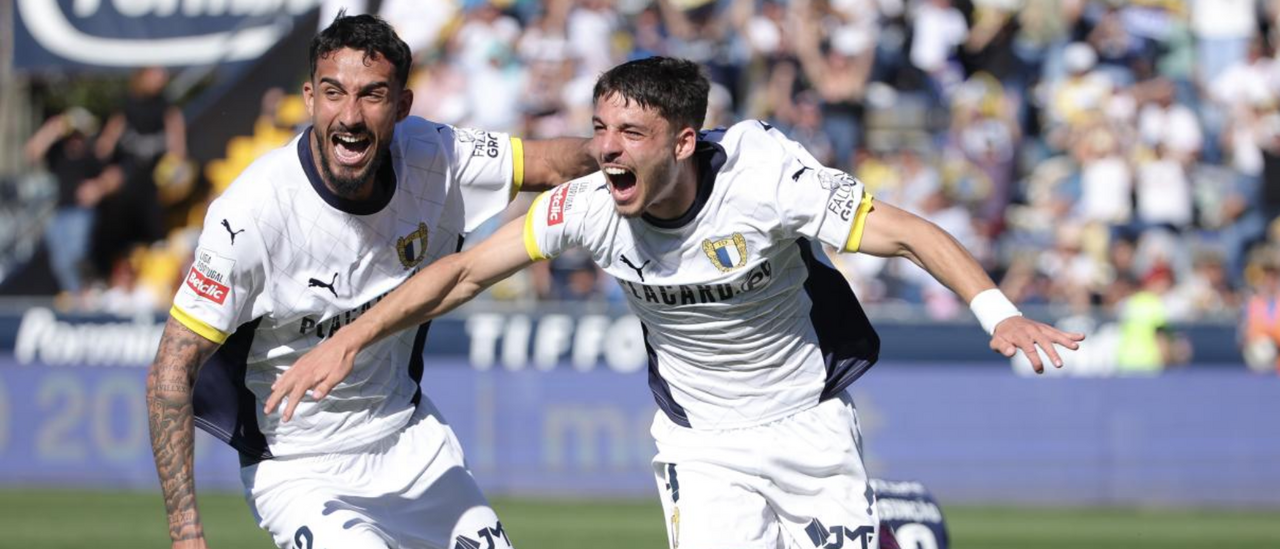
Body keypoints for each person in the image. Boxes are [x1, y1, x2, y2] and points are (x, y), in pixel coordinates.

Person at [273, 57, 1084, 549]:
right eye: (600, 128)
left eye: (630, 133)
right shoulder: (585, 205)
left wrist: (999, 312)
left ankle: (895, 517)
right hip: (701, 444)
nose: (606, 148)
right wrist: (350, 337)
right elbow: (462, 273)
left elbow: (906, 234)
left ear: (684, 141)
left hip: (807, 423)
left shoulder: (766, 178)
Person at [146, 13, 595, 549]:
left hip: (412, 444)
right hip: (299, 465)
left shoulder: (437, 155)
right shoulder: (251, 214)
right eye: (333, 92)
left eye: (372, 95)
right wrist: (186, 532)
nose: (350, 116)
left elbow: (552, 163)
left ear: (402, 106)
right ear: (309, 98)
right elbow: (171, 368)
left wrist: (620, 151)